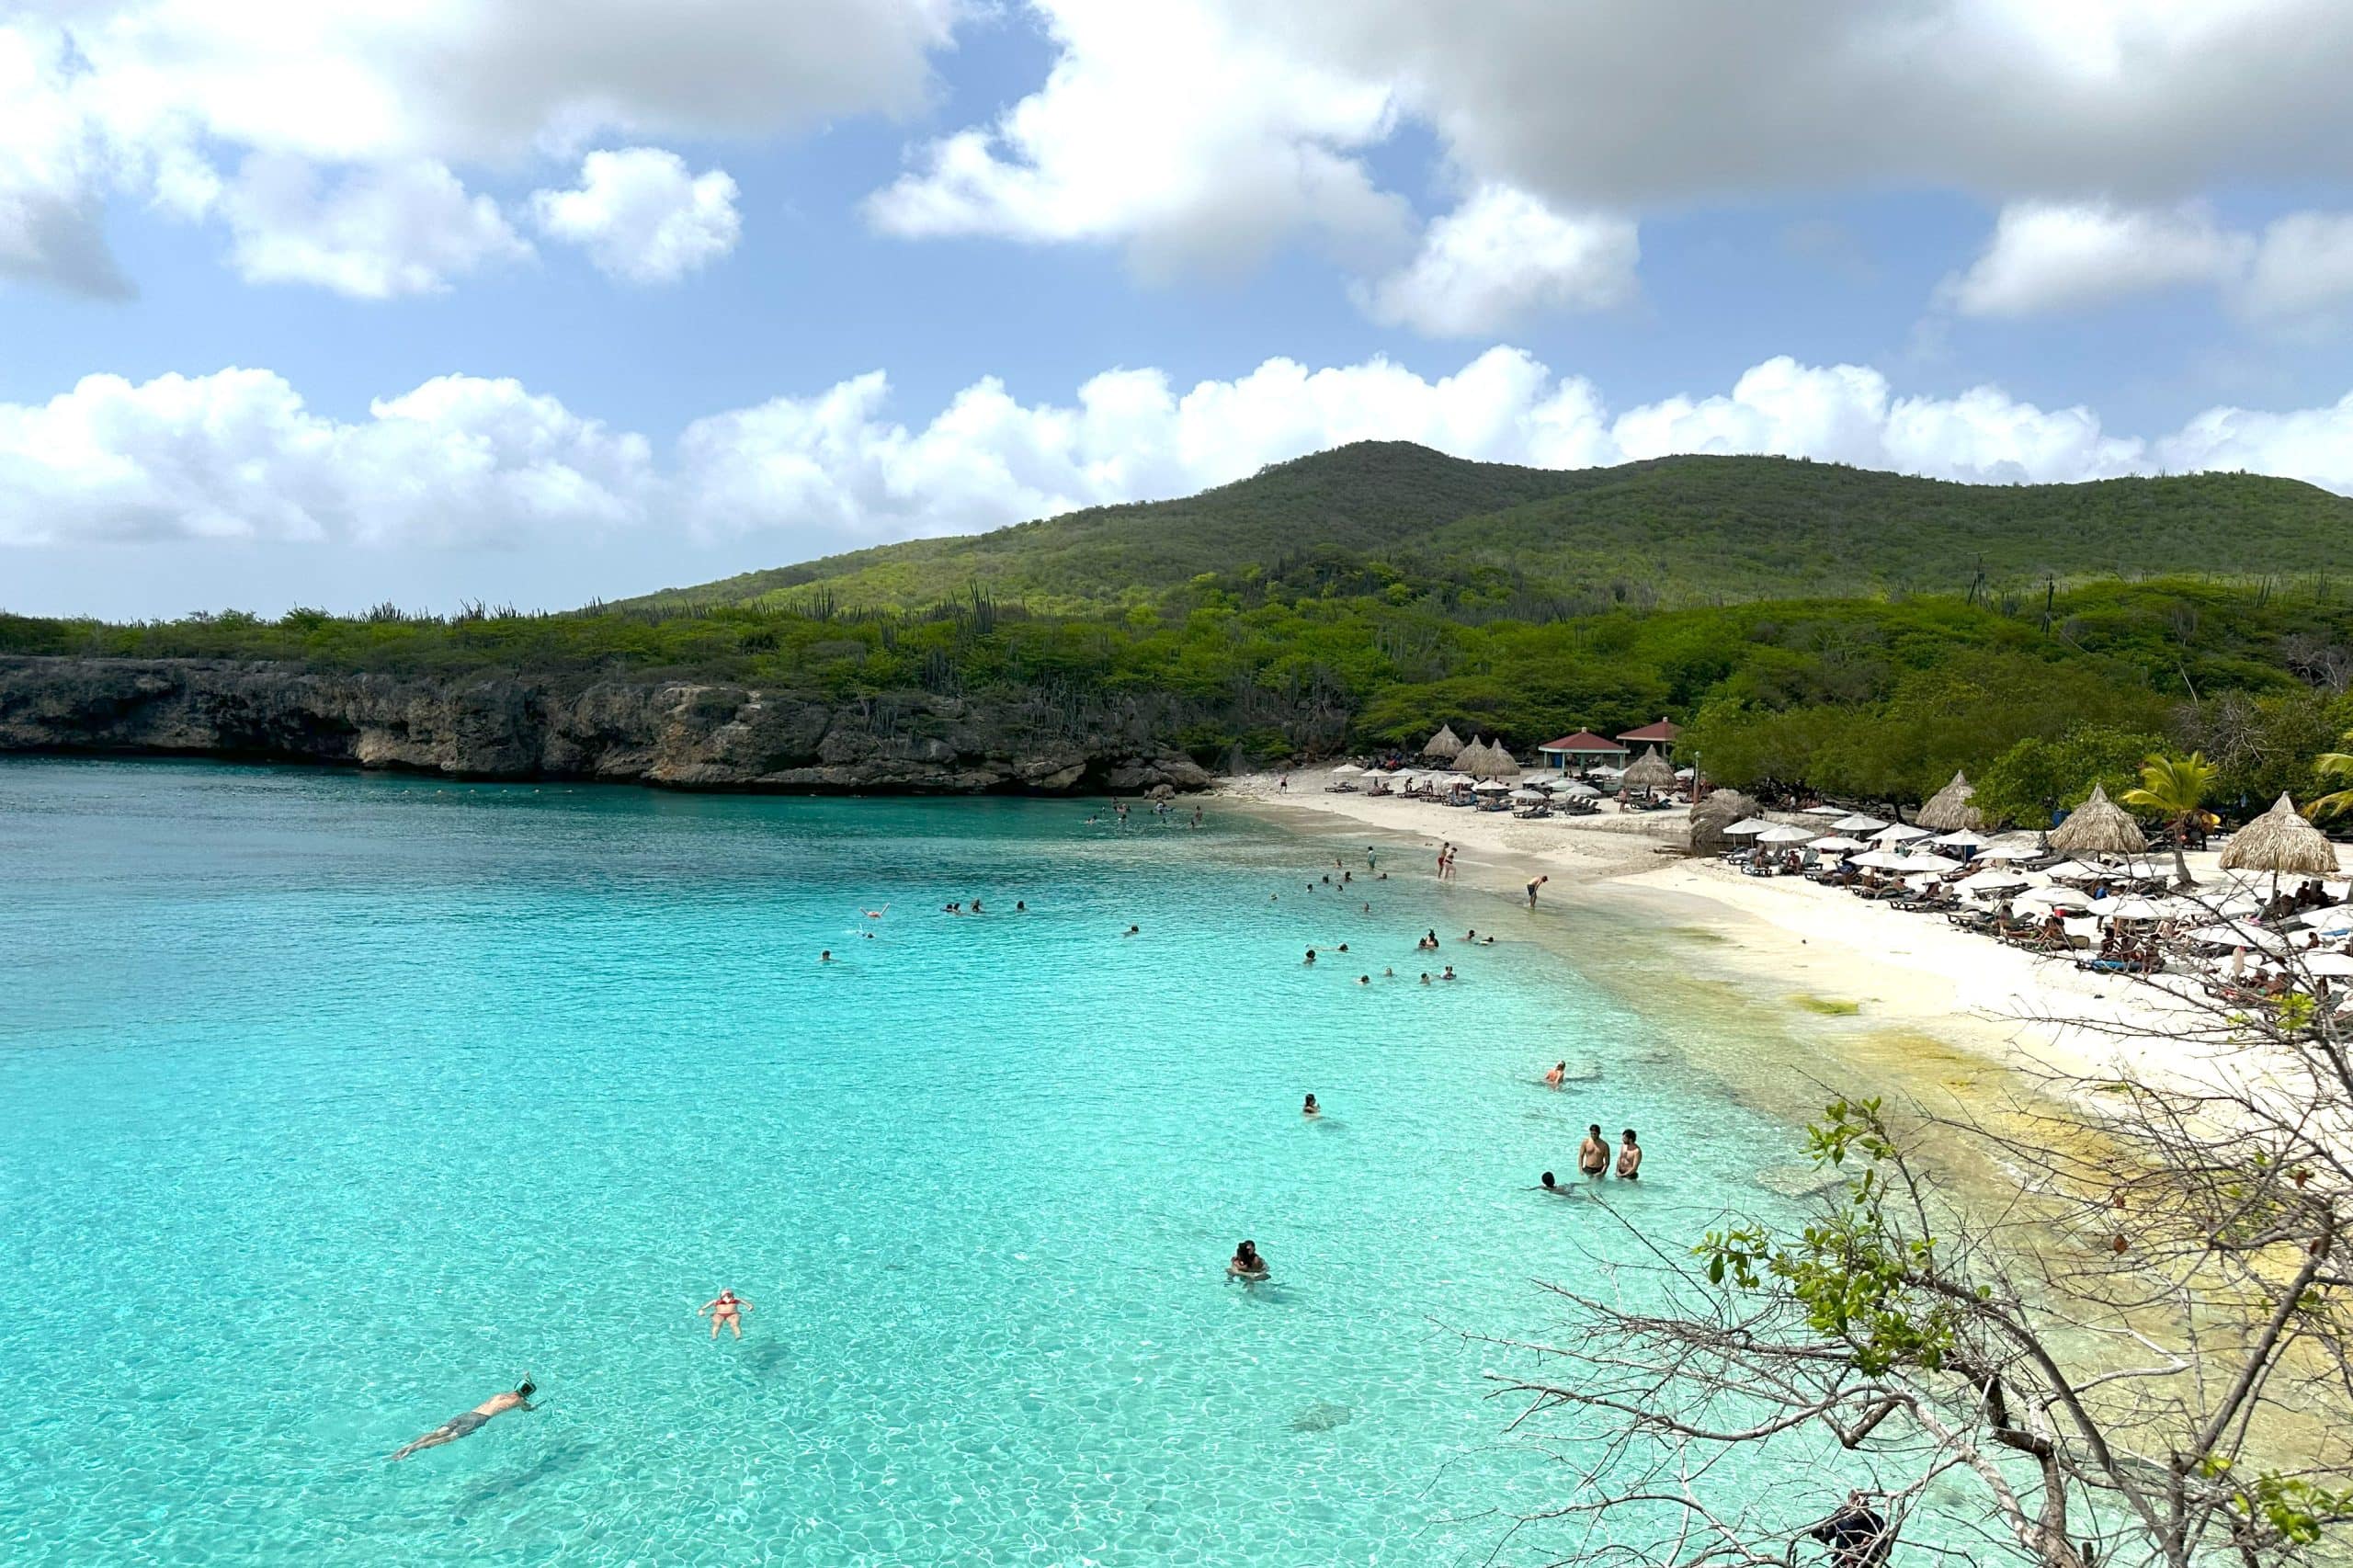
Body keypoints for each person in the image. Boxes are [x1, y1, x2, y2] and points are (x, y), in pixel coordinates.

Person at [388, 1375, 537, 1461]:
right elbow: (527, 1409)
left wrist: (526, 1376)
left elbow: (520, 1387)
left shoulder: (501, 1395)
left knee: (437, 1432)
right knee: (447, 1439)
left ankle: (410, 1445)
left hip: (466, 1414)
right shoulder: (519, 1401)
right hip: (477, 1420)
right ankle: (414, 1450)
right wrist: (534, 1408)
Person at [1805, 1491, 1894, 1568]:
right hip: (1841, 1562)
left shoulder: (1876, 1521)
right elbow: (1826, 1537)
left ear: (1867, 1503)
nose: (1859, 1503)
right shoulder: (1842, 1514)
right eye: (1855, 1499)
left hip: (1865, 1565)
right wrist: (1816, 1532)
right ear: (1849, 1502)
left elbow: (1886, 1552)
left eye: (1863, 1500)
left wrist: (1869, 1546)